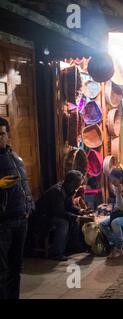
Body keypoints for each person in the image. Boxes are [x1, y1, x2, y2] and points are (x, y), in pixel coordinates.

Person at [0, 117, 33, 299]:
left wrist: (29, 207)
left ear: (8, 136)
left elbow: (24, 185)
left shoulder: (15, 157)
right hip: (3, 222)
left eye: (2, 134)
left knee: (16, 268)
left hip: (21, 219)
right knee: (2, 271)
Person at [35, 170, 86, 261]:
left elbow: (69, 206)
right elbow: (60, 212)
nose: (78, 187)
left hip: (53, 214)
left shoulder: (68, 188)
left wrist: (80, 211)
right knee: (63, 223)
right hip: (43, 217)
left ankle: (73, 246)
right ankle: (56, 253)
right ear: (72, 182)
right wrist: (76, 217)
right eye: (78, 184)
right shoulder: (57, 191)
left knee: (74, 220)